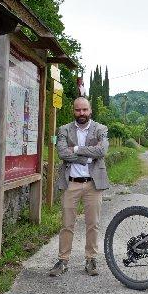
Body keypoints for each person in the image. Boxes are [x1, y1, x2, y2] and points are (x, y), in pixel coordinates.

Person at [49, 97, 110, 277]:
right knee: (67, 224)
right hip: (71, 184)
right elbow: (61, 152)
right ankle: (63, 260)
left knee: (93, 224)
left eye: (84, 110)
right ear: (73, 111)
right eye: (78, 110)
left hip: (93, 184)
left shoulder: (101, 129)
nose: (81, 113)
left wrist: (75, 149)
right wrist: (87, 155)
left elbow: (102, 151)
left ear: (90, 110)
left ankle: (91, 259)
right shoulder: (64, 129)